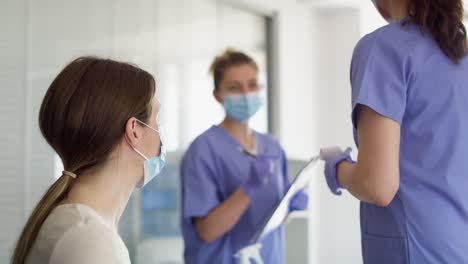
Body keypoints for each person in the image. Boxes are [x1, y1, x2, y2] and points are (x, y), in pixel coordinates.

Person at [321, 0, 468, 263]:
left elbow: (377, 185)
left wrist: (337, 168)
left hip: (418, 249)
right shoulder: (461, 54)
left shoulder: (384, 48)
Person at [11, 57, 166, 264]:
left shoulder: (78, 227)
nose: (161, 131)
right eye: (157, 119)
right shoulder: (91, 242)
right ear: (134, 130)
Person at [181, 49, 308, 264]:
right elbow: (207, 231)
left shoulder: (272, 148)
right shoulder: (203, 149)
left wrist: (289, 208)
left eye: (252, 84)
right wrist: (248, 189)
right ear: (217, 94)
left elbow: (268, 223)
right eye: (234, 88)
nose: (246, 93)